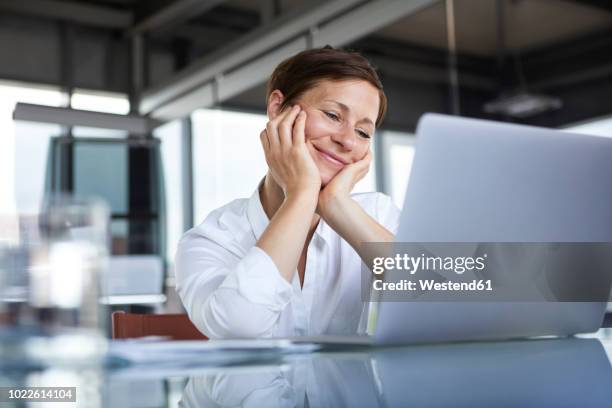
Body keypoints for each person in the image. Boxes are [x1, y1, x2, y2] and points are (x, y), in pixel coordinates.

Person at [175, 46, 400, 339]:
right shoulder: (211, 239)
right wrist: (302, 194)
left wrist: (338, 206)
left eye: (363, 133)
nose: (347, 140)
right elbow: (240, 327)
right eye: (333, 115)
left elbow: (448, 296)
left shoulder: (375, 215)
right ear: (277, 108)